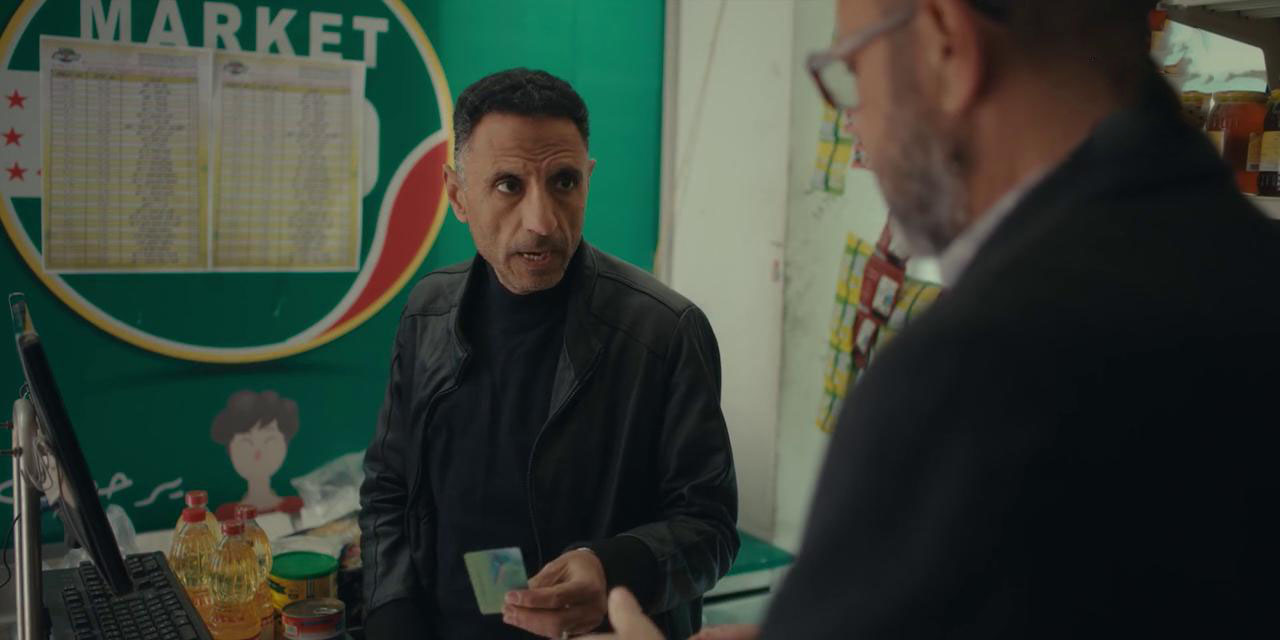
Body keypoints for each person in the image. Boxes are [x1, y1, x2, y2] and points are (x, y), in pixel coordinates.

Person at [584, 0, 1280, 638]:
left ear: (948, 45)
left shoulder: (972, 373)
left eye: (853, 73)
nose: (855, 127)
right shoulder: (1246, 272)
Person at [358, 68, 740, 640]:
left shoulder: (663, 332)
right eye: (508, 185)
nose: (541, 222)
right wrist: (392, 613)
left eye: (563, 182)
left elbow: (710, 528)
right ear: (458, 195)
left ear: (588, 179)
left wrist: (611, 569)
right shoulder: (428, 313)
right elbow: (389, 487)